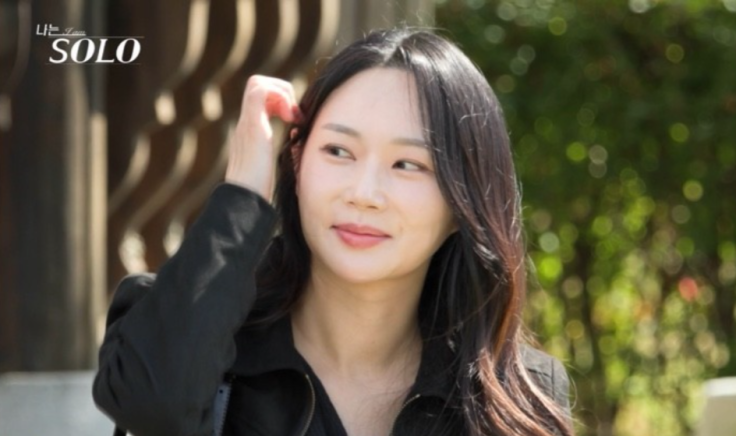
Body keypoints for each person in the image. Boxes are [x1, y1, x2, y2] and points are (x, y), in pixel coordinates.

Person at [93, 28, 574, 436]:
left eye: (408, 164)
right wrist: (242, 194)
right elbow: (151, 406)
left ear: (462, 200)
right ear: (297, 160)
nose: (364, 193)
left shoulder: (515, 400)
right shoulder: (187, 334)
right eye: (338, 151)